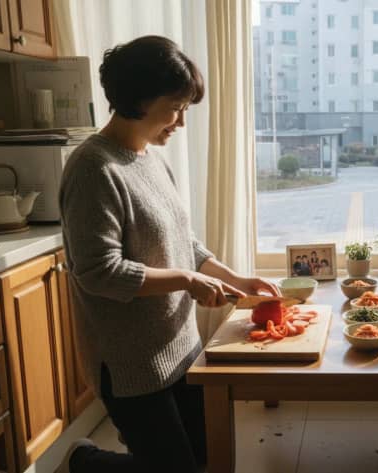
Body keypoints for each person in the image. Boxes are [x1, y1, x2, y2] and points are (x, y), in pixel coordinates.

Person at [57, 36, 279, 473]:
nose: (180, 120)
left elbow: (184, 243)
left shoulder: (152, 159)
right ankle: (85, 461)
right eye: (175, 106)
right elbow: (99, 272)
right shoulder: (93, 169)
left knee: (208, 458)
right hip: (130, 363)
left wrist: (235, 280)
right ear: (140, 99)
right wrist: (186, 281)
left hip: (181, 346)